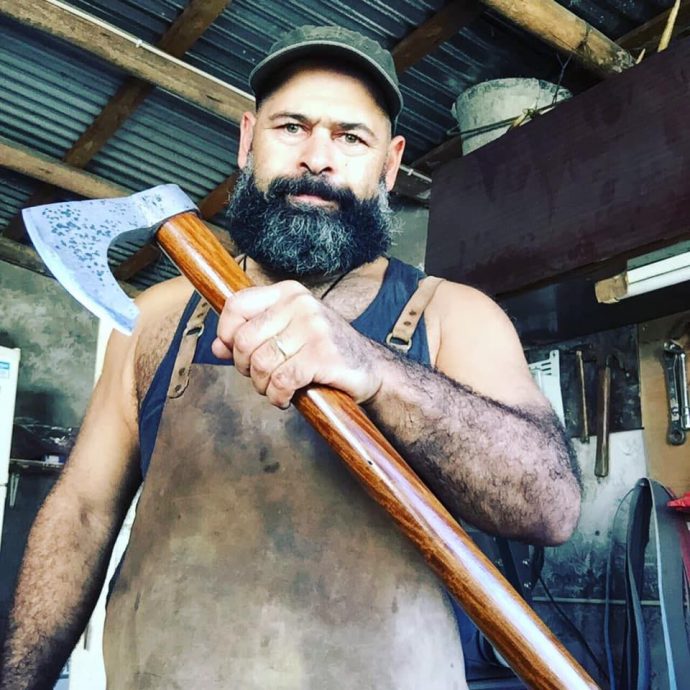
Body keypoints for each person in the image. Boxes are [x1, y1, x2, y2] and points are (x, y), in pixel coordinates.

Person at [0, 25, 581, 690]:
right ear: (248, 140)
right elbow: (81, 512)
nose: (317, 159)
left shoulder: (452, 315)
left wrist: (375, 369)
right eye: (292, 127)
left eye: (350, 137)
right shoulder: (157, 318)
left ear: (390, 164)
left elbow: (550, 506)